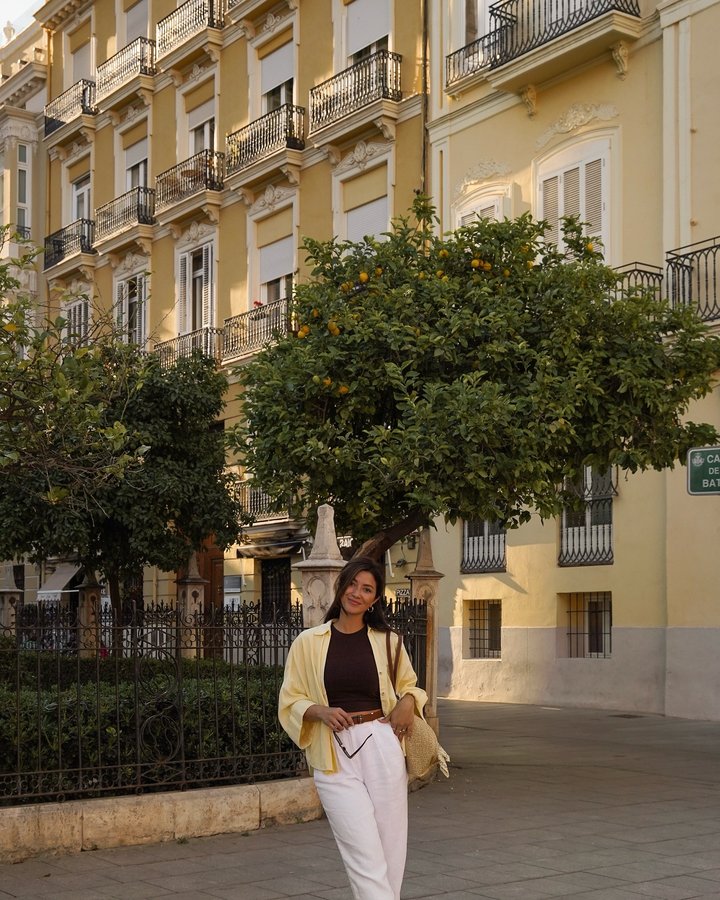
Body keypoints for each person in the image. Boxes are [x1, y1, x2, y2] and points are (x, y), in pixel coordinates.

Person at [278, 556, 428, 900]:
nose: (357, 593)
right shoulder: (308, 642)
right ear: (341, 585)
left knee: (390, 851)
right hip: (333, 754)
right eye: (353, 584)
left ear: (375, 599)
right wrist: (319, 711)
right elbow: (289, 699)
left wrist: (408, 701)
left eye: (367, 589)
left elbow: (411, 687)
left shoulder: (388, 641)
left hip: (381, 742)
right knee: (363, 854)